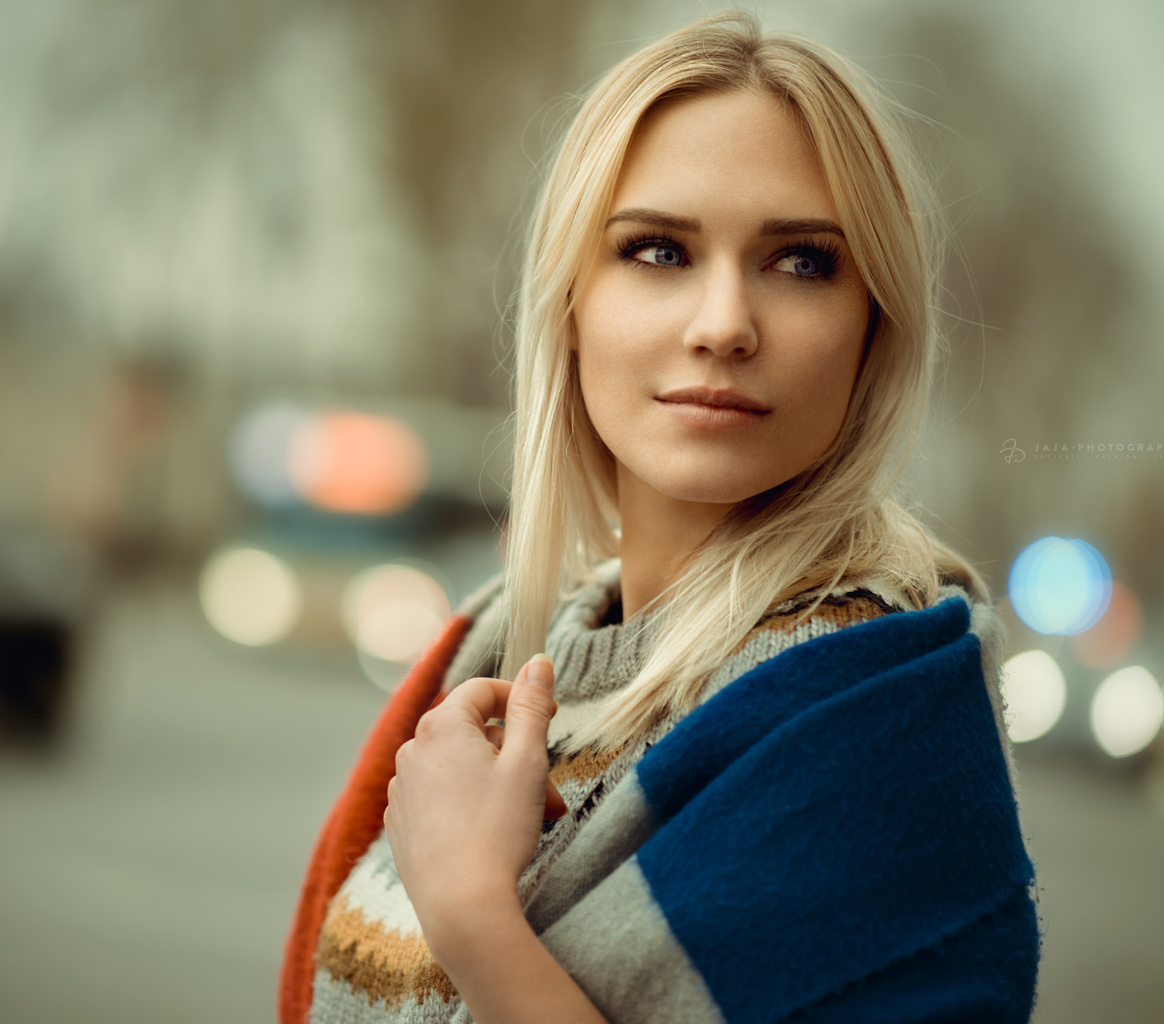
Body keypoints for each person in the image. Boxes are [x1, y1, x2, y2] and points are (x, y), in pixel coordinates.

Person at [280, 12, 1040, 1024]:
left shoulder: (880, 718)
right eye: (655, 251)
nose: (722, 323)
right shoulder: (487, 652)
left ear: (873, 327)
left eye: (802, 261)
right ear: (570, 308)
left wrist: (473, 915)